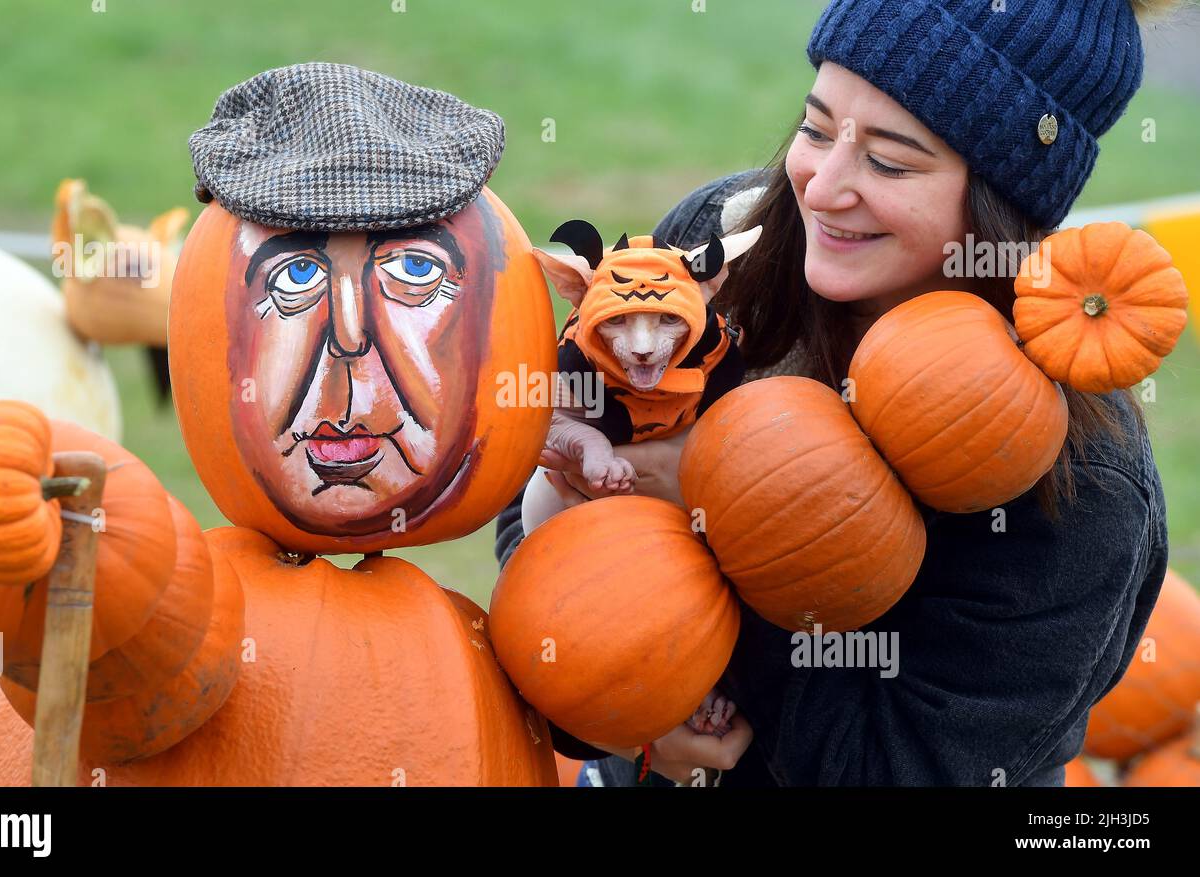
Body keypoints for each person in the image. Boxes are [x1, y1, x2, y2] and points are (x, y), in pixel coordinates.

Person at [494, 0, 1176, 786]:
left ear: (1001, 203)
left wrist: (732, 517)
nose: (822, 189)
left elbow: (903, 764)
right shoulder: (717, 256)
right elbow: (540, 495)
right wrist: (625, 715)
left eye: (889, 161)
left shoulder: (1079, 481)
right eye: (818, 129)